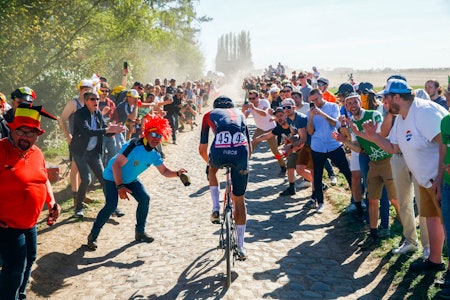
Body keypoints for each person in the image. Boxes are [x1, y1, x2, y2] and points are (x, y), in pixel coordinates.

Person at [363, 78, 448, 272]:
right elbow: (393, 147)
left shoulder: (424, 112)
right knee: (433, 218)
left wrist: (441, 178)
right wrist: (374, 136)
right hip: (424, 179)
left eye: (386, 98)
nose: (384, 103)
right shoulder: (401, 117)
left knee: (447, 223)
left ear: (397, 97)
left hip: (440, 179)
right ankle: (435, 261)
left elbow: (446, 142)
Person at [87, 114, 188, 250]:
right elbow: (116, 165)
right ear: (146, 133)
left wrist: (177, 173)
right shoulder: (134, 145)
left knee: (144, 199)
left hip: (130, 179)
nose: (156, 138)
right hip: (112, 177)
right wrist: (120, 186)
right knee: (111, 205)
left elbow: (164, 171)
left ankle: (140, 232)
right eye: (153, 134)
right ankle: (93, 236)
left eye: (159, 136)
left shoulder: (154, 153)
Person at [0, 102, 61, 300]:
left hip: (31, 224)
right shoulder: (1, 150)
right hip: (8, 226)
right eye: (21, 132)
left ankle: (20, 294)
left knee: (29, 260)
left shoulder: (37, 153)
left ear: (37, 135)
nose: (26, 137)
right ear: (12, 130)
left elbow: (43, 180)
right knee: (13, 269)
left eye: (31, 133)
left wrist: (51, 202)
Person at [339, 92, 400, 249]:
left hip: (388, 159)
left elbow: (380, 137)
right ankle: (374, 233)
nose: (352, 106)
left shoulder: (374, 115)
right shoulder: (352, 123)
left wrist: (359, 133)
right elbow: (359, 149)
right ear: (346, 107)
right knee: (372, 198)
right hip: (373, 162)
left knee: (394, 198)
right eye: (349, 104)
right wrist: (344, 141)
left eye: (355, 102)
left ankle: (404, 226)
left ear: (360, 102)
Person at [199, 96, 251, 260]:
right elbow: (249, 147)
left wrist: (211, 164)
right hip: (241, 155)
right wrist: (243, 164)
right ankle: (241, 247)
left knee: (212, 170)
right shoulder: (241, 114)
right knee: (239, 199)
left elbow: (202, 149)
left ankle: (215, 208)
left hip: (219, 152)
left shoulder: (209, 114)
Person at [70, 91, 125, 218]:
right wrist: (108, 129)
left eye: (97, 99)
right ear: (85, 101)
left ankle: (113, 207)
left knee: (105, 179)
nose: (96, 101)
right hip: (80, 152)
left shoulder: (98, 113)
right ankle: (78, 208)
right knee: (86, 179)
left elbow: (104, 131)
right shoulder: (79, 114)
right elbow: (87, 131)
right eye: (92, 99)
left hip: (93, 152)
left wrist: (115, 131)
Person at [305, 89, 353, 213]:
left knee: (347, 171)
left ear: (322, 96)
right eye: (312, 101)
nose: (315, 102)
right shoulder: (309, 112)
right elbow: (310, 132)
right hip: (318, 147)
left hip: (334, 145)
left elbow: (336, 124)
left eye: (316, 99)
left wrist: (322, 114)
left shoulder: (332, 106)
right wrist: (311, 118)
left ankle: (357, 199)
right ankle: (320, 202)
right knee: (317, 175)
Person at [60, 79, 94, 208]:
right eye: (84, 89)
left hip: (88, 142)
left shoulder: (90, 103)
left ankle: (82, 195)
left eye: (89, 89)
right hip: (76, 141)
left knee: (83, 168)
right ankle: (76, 197)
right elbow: (62, 119)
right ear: (80, 90)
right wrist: (68, 135)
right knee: (75, 167)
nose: (86, 91)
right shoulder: (73, 103)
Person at [242, 90, 286, 177]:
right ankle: (244, 166)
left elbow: (265, 114)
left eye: (253, 98)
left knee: (275, 151)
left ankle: (283, 166)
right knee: (250, 147)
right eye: (250, 99)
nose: (252, 100)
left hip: (271, 129)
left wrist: (254, 108)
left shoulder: (264, 102)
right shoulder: (251, 106)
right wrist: (243, 110)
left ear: (258, 97)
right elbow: (244, 117)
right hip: (260, 129)